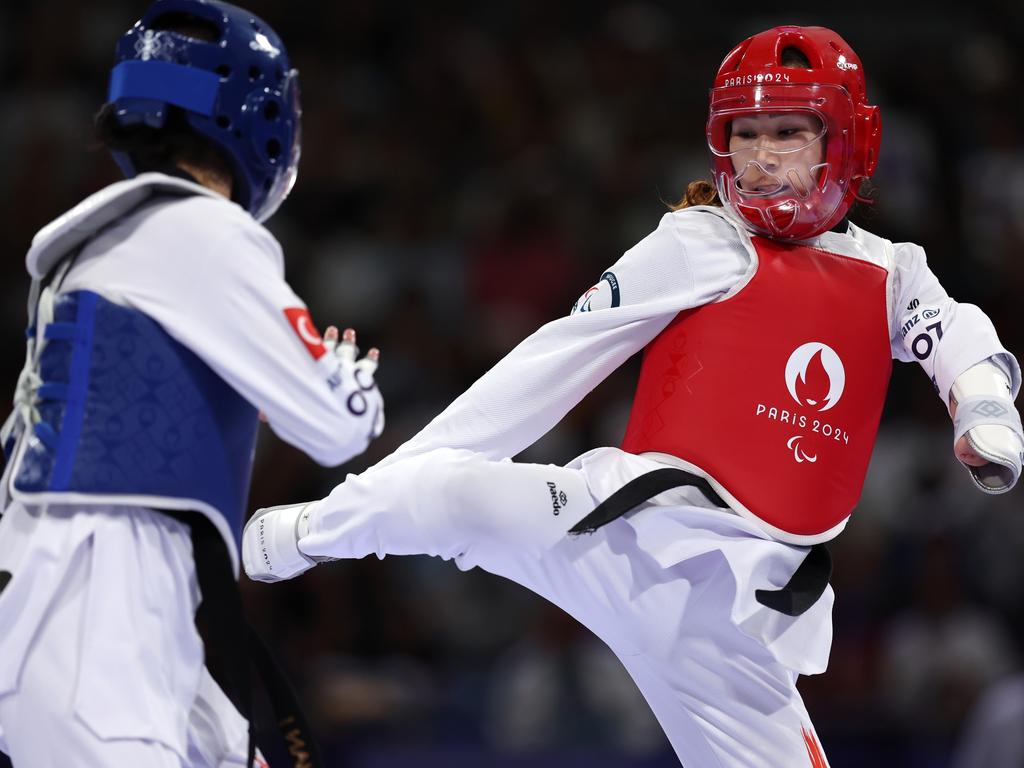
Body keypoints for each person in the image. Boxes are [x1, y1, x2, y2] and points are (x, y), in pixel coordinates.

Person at [243, 25, 1023, 767]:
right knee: (449, 495)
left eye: (786, 131)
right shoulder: (700, 240)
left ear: (849, 140)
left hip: (726, 628)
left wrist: (985, 410)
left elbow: (956, 333)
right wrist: (391, 482)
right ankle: (295, 535)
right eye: (742, 135)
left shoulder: (891, 273)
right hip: (615, 534)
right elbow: (551, 361)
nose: (759, 158)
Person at [0, 1, 384, 766]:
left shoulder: (92, 251)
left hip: (74, 594)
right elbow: (341, 422)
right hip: (97, 612)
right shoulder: (202, 232)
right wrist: (349, 375)